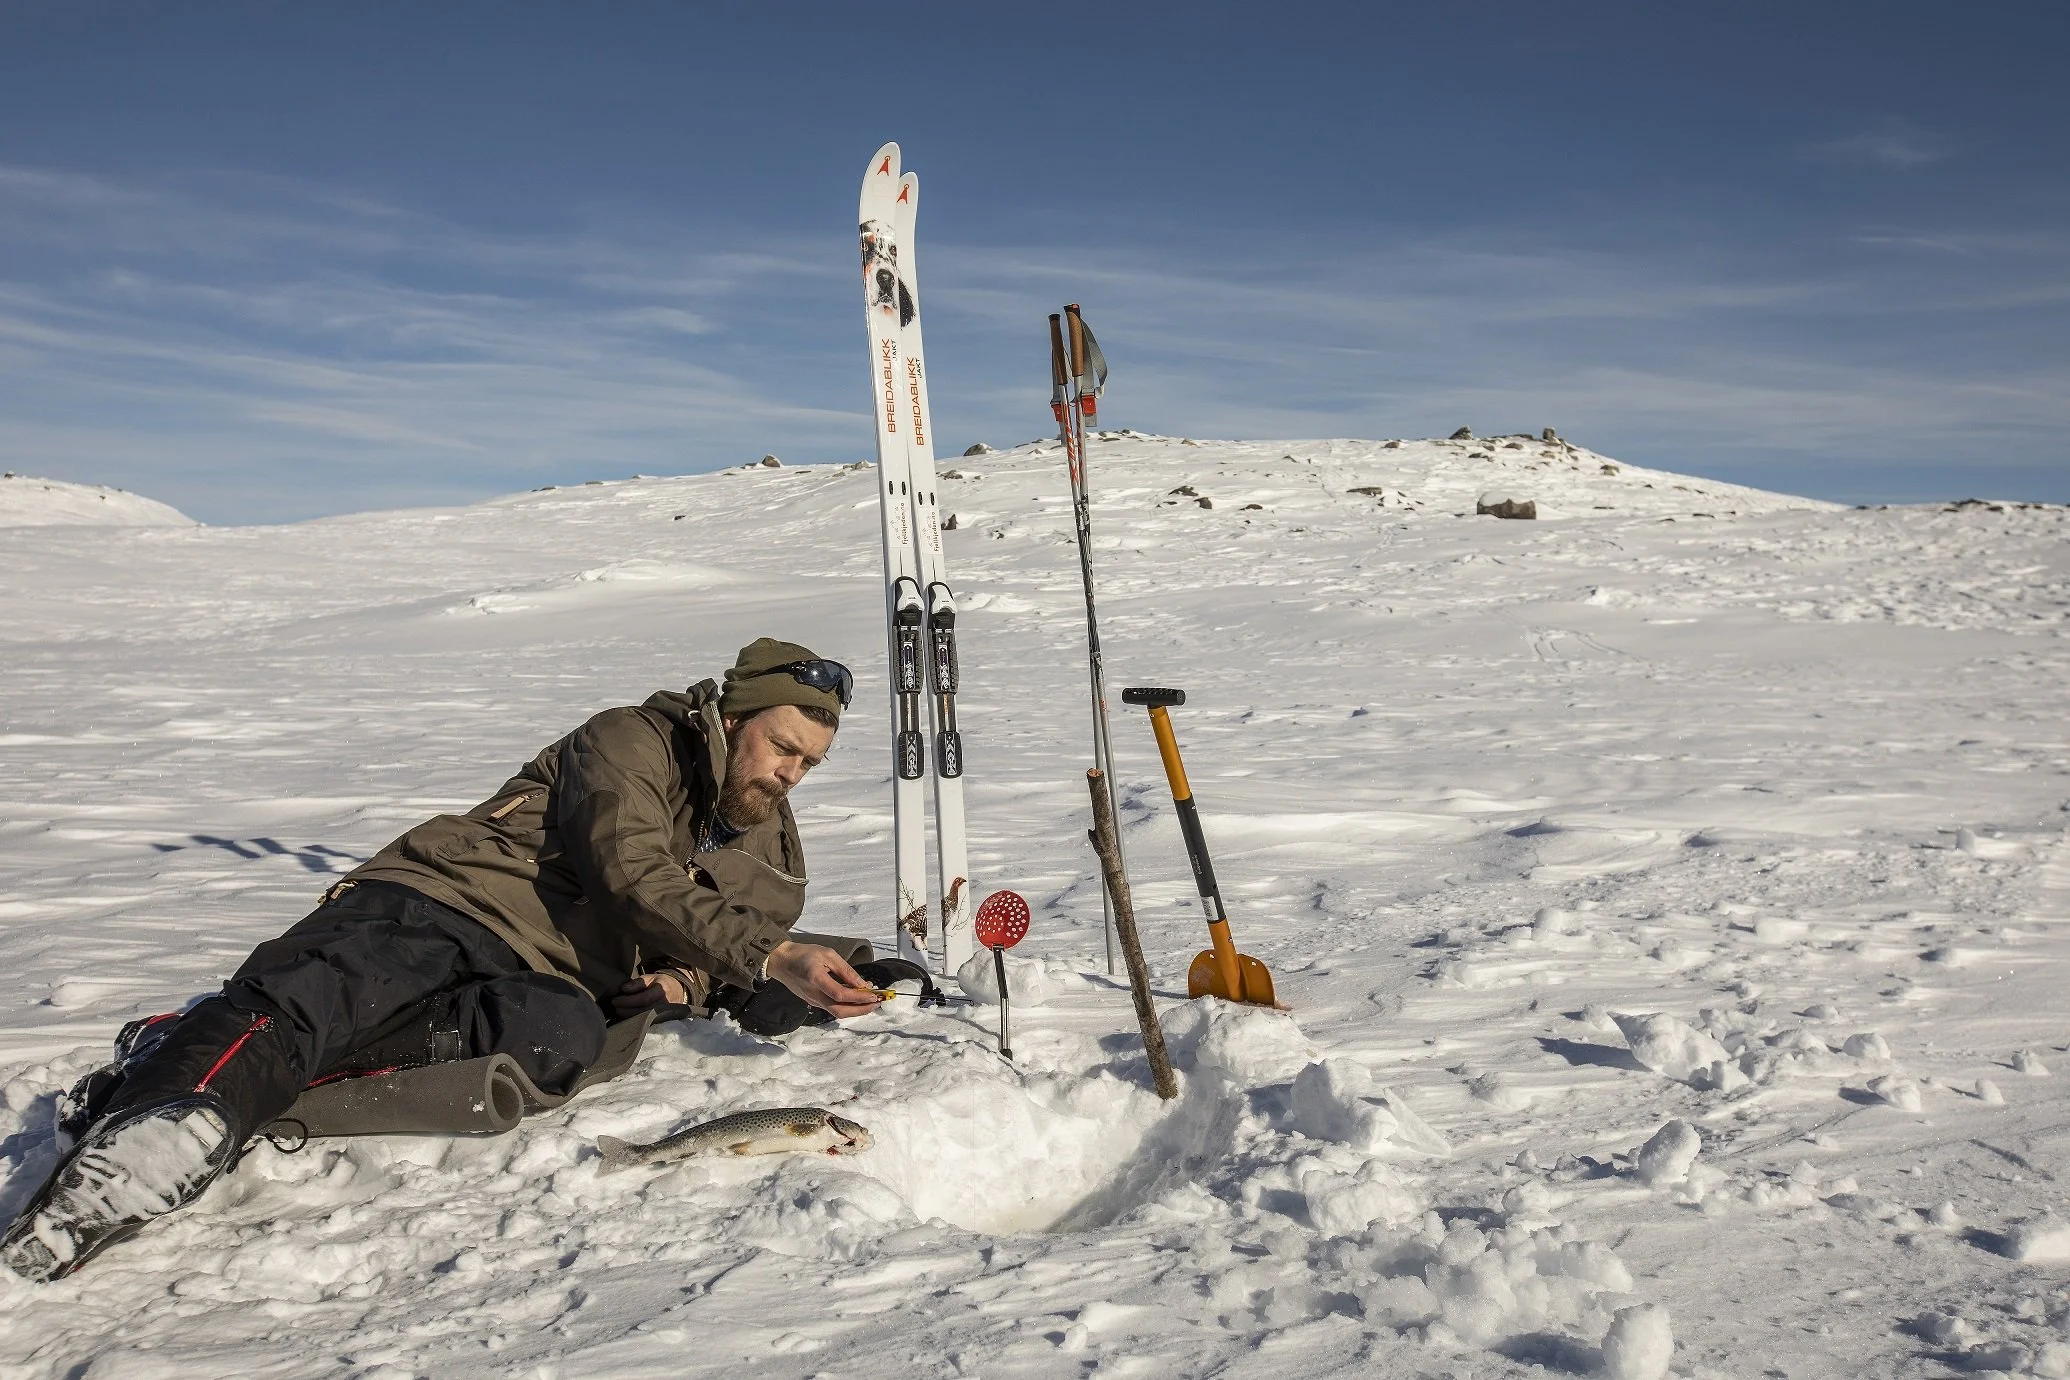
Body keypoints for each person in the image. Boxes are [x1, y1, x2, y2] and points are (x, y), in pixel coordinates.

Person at [2, 637, 884, 1282]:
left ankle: (193, 1056)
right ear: (732, 721)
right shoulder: (632, 741)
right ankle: (141, 1149)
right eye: (782, 749)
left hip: (553, 978)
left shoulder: (775, 857)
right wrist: (772, 954)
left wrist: (692, 976)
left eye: (811, 763)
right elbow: (633, 873)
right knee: (327, 996)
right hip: (452, 900)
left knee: (553, 1041)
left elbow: (719, 953)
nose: (792, 775)